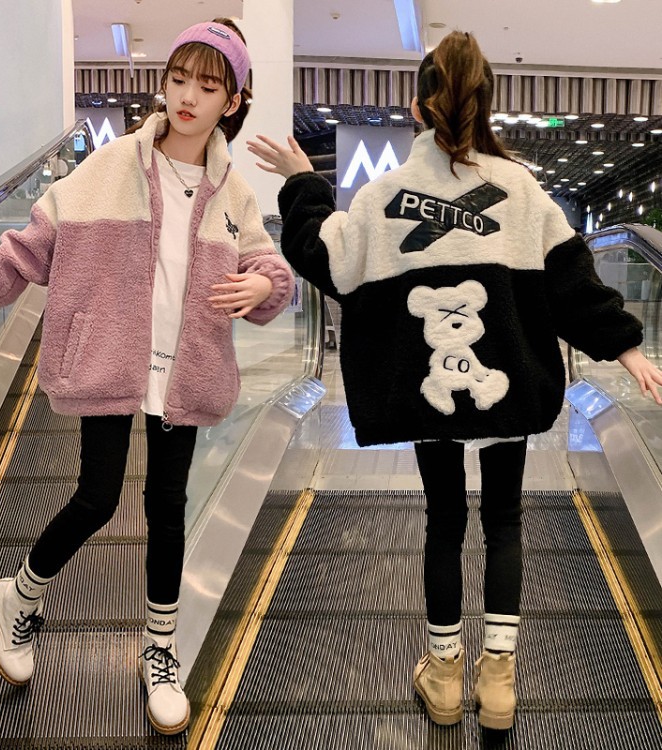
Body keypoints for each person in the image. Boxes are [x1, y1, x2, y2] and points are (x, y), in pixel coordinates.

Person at [246, 30, 662, 731]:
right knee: (504, 522)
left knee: (444, 522)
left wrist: (301, 182)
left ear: (416, 108)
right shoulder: (520, 191)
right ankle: (498, 683)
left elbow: (323, 257)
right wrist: (628, 350)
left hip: (427, 388)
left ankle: (442, 677)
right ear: (485, 105)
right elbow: (572, 284)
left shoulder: (383, 196)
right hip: (507, 385)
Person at [0, 18, 294, 736]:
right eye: (179, 79)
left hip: (187, 372)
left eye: (207, 87)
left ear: (232, 102)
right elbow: (41, 234)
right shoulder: (114, 164)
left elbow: (265, 263)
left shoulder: (233, 193)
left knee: (167, 508)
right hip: (111, 357)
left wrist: (265, 285)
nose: (187, 96)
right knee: (96, 498)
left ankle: (160, 649)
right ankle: (20, 594)